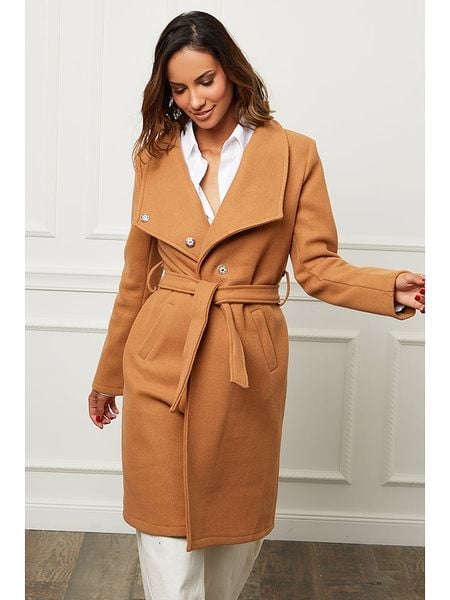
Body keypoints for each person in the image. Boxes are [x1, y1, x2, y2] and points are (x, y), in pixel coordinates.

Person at [87, 10, 425, 600]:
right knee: (164, 537)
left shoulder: (294, 154)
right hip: (161, 354)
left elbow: (316, 266)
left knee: (232, 541)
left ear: (233, 71)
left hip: (243, 359)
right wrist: (108, 374)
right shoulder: (154, 157)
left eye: (206, 80)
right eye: (179, 88)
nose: (195, 100)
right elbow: (136, 278)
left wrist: (387, 287)